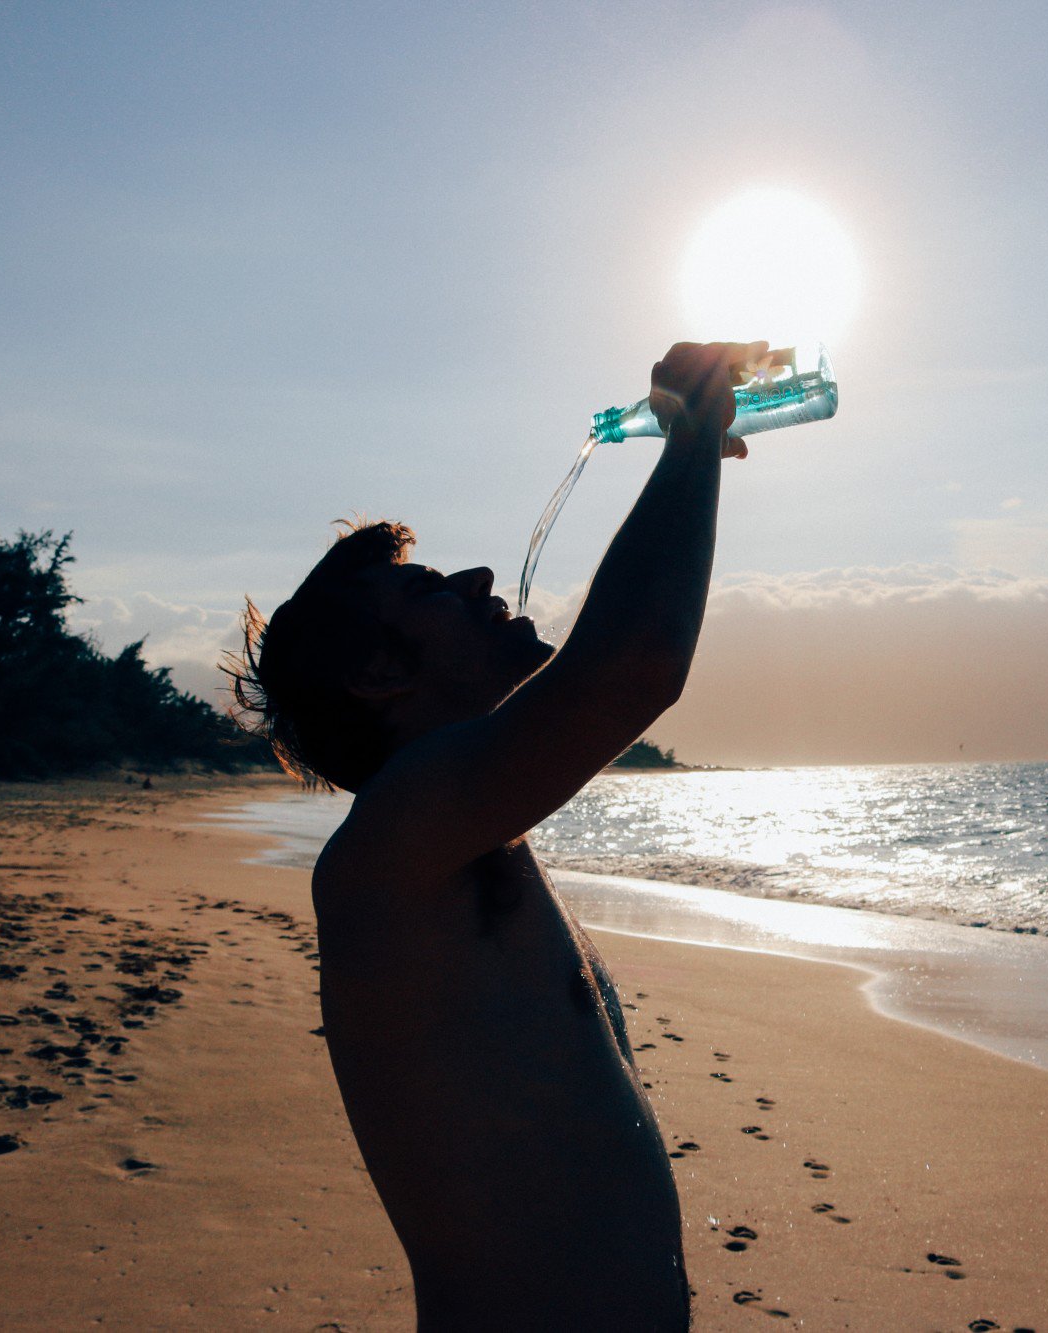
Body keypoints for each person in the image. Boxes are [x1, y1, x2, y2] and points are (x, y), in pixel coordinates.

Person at [229, 341, 764, 1331]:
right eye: (428, 587)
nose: (478, 573)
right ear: (379, 675)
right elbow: (631, 667)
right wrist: (685, 442)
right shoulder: (392, 843)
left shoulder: (465, 838)